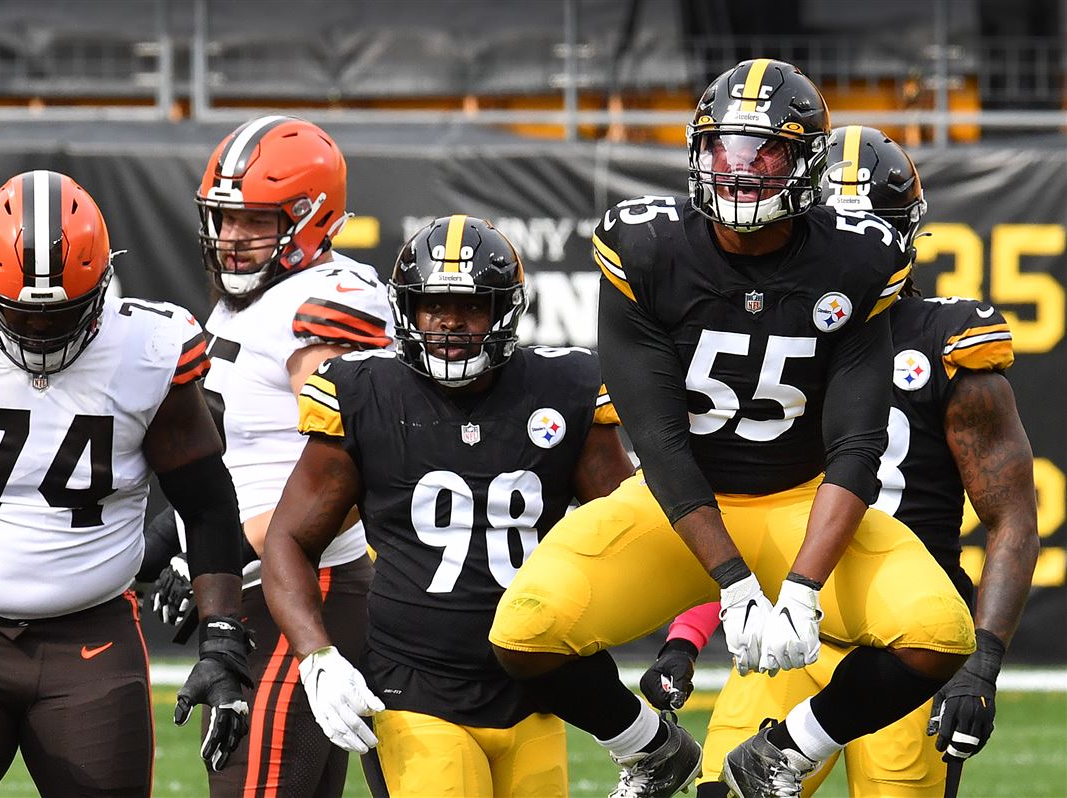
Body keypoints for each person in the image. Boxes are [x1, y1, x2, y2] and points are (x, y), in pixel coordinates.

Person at [487, 58, 976, 798]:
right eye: (724, 149)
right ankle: (649, 748)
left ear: (806, 162)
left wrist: (804, 586)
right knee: (523, 633)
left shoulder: (858, 256)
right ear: (697, 152)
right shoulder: (645, 246)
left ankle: (790, 749)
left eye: (765, 152)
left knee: (941, 633)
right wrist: (735, 584)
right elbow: (660, 440)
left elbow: (855, 443)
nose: (740, 170)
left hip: (801, 502)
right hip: (677, 505)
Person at [641, 126, 1039, 797]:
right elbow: (728, 501)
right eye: (837, 225)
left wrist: (981, 660)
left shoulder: (948, 341)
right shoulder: (756, 323)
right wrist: (686, 633)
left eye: (871, 228)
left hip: (904, 647)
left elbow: (1011, 517)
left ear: (904, 236)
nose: (855, 245)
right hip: (794, 631)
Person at [261, 215, 638, 797]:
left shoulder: (564, 387)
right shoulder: (363, 393)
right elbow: (288, 539)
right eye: (431, 305)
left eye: (472, 306)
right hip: (416, 688)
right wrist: (316, 655)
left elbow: (632, 528)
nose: (450, 323)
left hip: (534, 686)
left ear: (505, 311)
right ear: (405, 311)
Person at [0, 170, 250, 797]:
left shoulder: (148, 348)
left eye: (62, 315)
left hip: (90, 641)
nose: (41, 335)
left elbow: (207, 503)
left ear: (103, 286)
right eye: (22, 316)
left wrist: (222, 637)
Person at [140, 114, 393, 797]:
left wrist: (221, 553)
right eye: (222, 219)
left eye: (253, 221)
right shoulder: (248, 303)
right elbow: (236, 454)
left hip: (306, 588)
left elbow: (348, 481)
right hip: (259, 588)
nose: (230, 238)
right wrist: (177, 537)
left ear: (311, 217)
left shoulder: (326, 306)